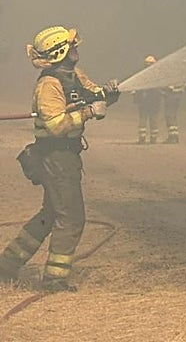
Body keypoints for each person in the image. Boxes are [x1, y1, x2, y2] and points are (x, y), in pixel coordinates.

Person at [0, 26, 119, 290]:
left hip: (67, 155)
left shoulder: (73, 74)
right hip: (55, 156)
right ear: (61, 52)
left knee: (51, 213)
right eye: (72, 45)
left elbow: (92, 95)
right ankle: (54, 279)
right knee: (72, 217)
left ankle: (7, 264)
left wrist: (108, 95)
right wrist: (89, 113)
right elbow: (55, 125)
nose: (77, 48)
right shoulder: (49, 85)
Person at [135, 55, 162, 144]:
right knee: (153, 118)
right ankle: (153, 138)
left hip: (144, 101)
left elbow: (137, 88)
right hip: (155, 101)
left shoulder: (142, 74)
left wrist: (137, 98)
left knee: (143, 118)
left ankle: (142, 138)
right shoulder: (158, 74)